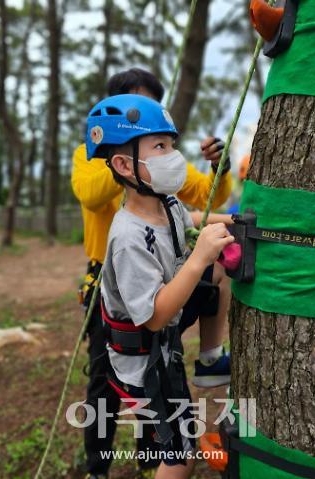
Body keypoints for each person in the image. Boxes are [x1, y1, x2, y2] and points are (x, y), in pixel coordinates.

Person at [71, 68, 233, 479]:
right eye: (161, 144)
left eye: (171, 143)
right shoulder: (125, 229)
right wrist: (121, 162)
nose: (173, 156)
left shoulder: (164, 200)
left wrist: (234, 212)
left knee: (173, 444)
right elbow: (91, 193)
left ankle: (210, 358)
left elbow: (197, 202)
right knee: (108, 393)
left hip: (160, 325)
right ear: (122, 160)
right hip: (135, 330)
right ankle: (98, 467)